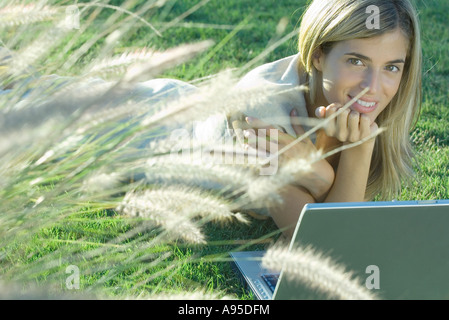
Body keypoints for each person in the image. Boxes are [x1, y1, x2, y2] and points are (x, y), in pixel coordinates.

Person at [226, 0, 422, 238]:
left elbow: (342, 217)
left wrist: (320, 174)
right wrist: (331, 172)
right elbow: (328, 241)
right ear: (318, 55)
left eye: (391, 67)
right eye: (356, 61)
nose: (373, 87)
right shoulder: (263, 113)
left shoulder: (386, 104)